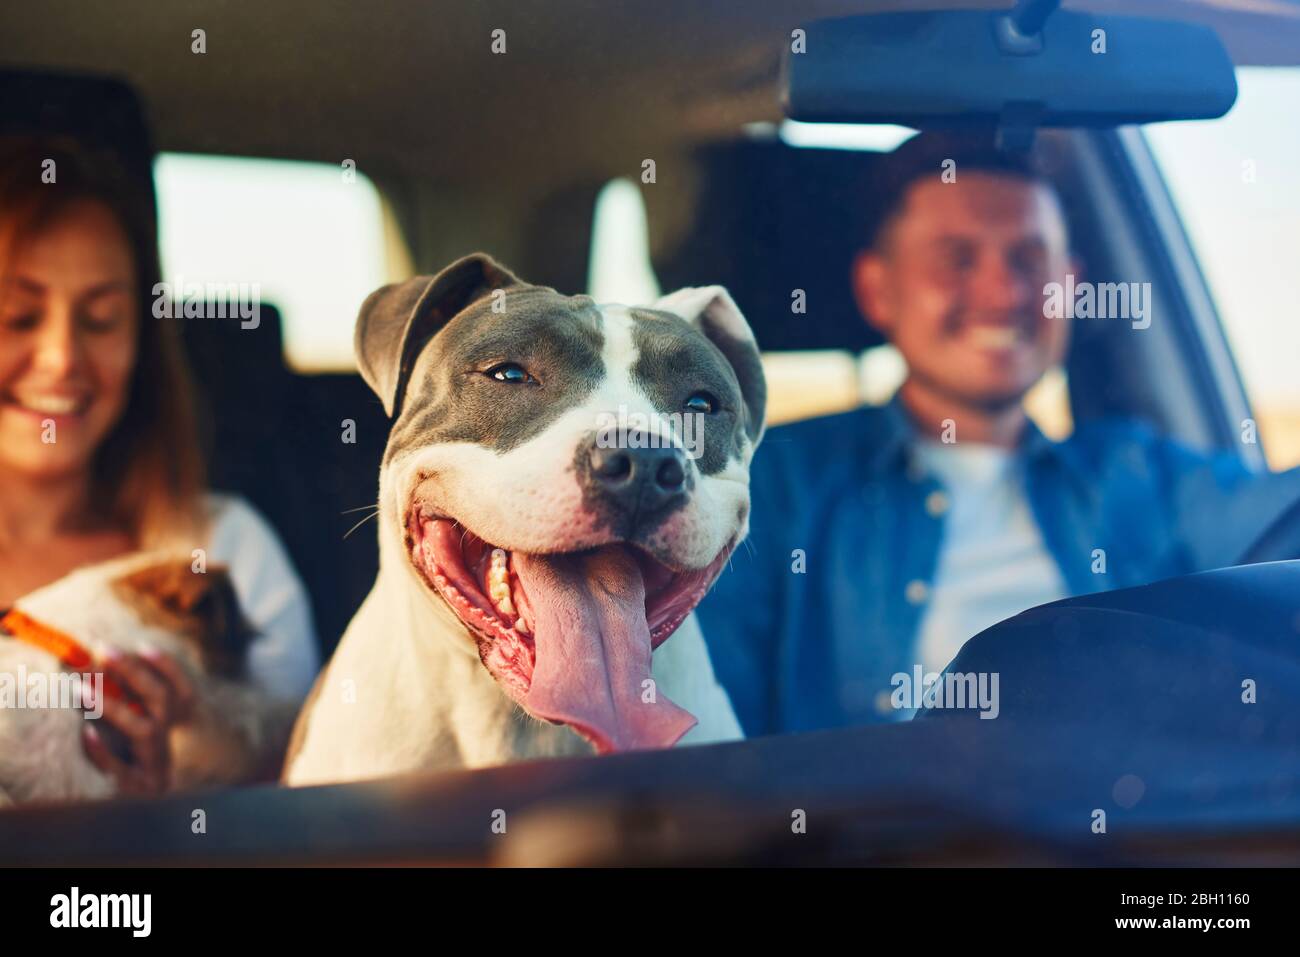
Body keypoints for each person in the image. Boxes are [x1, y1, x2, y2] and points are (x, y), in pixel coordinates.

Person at [696, 132, 1300, 737]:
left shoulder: (1140, 475)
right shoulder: (768, 488)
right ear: (878, 290)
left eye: (1029, 260)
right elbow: (710, 738)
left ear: (1071, 283)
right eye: (956, 259)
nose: (1002, 293)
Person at [0, 135, 319, 794]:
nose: (62, 357)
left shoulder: (222, 549)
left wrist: (173, 795)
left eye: (102, 318)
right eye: (19, 315)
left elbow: (306, 793)